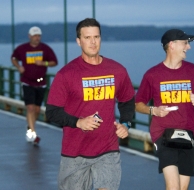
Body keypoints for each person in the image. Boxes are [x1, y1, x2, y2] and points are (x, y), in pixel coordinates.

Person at [45, 18, 135, 190]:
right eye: (87, 38)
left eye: (96, 37)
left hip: (107, 148)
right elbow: (52, 111)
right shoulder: (67, 74)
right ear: (79, 41)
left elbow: (127, 100)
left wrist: (125, 123)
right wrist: (78, 122)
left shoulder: (117, 70)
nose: (93, 42)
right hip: (75, 152)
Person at [135, 29, 194, 190]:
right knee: (174, 187)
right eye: (185, 43)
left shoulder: (193, 71)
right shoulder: (153, 74)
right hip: (163, 134)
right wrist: (153, 111)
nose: (188, 47)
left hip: (188, 135)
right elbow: (138, 104)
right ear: (172, 45)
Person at [11, 26, 58, 144]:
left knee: (36, 109)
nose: (37, 38)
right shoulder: (22, 48)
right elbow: (13, 57)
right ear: (29, 36)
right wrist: (18, 67)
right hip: (27, 81)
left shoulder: (45, 49)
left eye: (39, 36)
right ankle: (33, 133)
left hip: (41, 82)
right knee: (30, 108)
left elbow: (54, 62)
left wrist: (44, 63)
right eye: (35, 36)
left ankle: (30, 126)